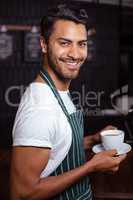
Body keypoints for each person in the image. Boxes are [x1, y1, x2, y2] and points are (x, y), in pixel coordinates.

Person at [10, 3, 127, 200]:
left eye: (81, 43)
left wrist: (93, 140)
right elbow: (23, 193)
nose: (75, 54)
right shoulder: (40, 110)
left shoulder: (59, 91)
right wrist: (92, 166)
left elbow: (55, 147)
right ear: (44, 44)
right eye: (64, 43)